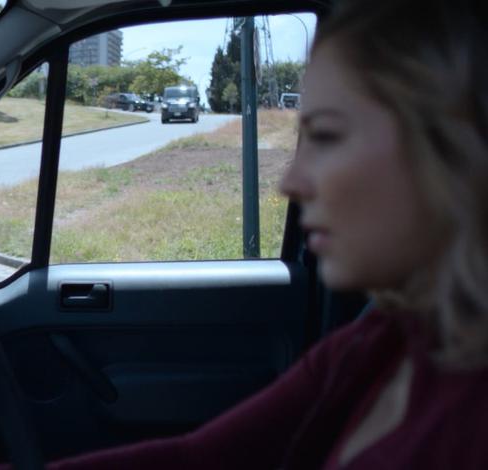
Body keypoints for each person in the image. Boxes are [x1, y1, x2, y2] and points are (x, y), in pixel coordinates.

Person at [37, 0, 488, 468]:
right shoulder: (387, 336)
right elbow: (204, 456)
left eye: (327, 136)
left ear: (457, 150)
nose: (288, 184)